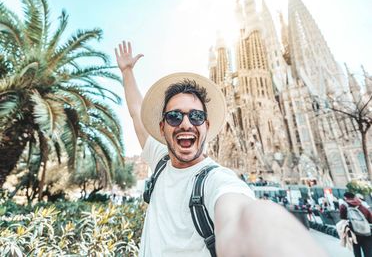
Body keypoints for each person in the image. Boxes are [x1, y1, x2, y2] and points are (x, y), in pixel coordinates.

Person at [115, 41, 327, 257]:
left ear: (206, 126)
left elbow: (241, 217)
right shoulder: (159, 159)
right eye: (174, 116)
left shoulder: (216, 180)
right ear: (162, 127)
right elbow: (136, 111)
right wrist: (127, 71)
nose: (186, 124)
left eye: (196, 116)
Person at [339, 192, 372, 257]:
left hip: (353, 233)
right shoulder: (361, 204)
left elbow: (342, 218)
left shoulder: (343, 206)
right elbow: (370, 218)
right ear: (354, 197)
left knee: (356, 251)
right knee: (368, 252)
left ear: (345, 197)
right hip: (366, 232)